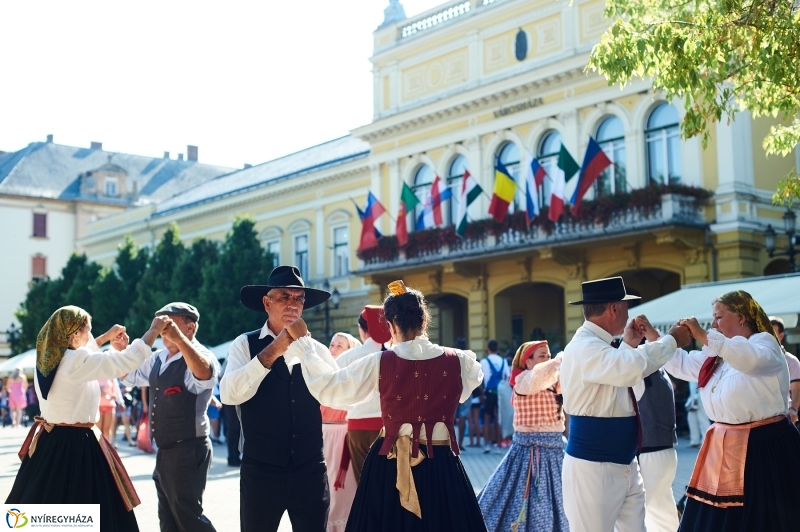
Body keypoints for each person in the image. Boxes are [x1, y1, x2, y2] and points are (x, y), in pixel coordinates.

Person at [292, 280, 487, 532]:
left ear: (391, 326)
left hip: (389, 463)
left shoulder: (380, 362)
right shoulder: (460, 360)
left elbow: (332, 390)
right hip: (441, 463)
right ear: (424, 321)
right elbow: (468, 388)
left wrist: (306, 347)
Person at [6, 305, 170, 532]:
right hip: (76, 444)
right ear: (74, 334)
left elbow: (84, 357)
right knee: (86, 508)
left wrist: (104, 338)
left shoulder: (49, 360)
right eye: (88, 330)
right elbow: (120, 362)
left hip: (50, 441)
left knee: (43, 509)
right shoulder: (73, 362)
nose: (91, 335)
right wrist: (153, 331)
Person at [661, 291, 800, 531]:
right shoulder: (720, 353)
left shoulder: (764, 343)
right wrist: (658, 338)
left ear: (741, 317)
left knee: (762, 514)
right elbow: (685, 364)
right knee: (718, 514)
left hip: (761, 443)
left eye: (719, 317)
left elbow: (749, 360)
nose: (714, 325)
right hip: (723, 443)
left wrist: (703, 335)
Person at [559, 276, 689, 532]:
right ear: (614, 308)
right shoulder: (585, 346)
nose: (628, 313)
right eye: (626, 306)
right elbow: (627, 370)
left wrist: (628, 344)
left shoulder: (597, 345)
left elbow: (616, 372)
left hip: (624, 463)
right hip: (594, 467)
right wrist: (671, 340)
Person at [220, 266, 335, 532]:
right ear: (267, 302)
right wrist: (274, 349)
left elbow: (336, 394)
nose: (293, 304)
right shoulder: (244, 344)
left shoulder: (317, 349)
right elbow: (228, 394)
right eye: (284, 296)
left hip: (309, 469)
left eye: (299, 298)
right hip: (261, 471)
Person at [122, 302, 219, 532]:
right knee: (168, 520)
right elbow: (128, 375)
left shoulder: (202, 355)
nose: (163, 330)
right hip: (165, 450)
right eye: (160, 324)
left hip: (188, 447)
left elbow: (204, 374)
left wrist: (180, 340)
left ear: (190, 327)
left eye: (169, 324)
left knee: (189, 517)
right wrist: (121, 352)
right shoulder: (158, 357)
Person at [478, 340, 569, 532]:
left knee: (564, 501)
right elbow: (541, 376)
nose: (547, 359)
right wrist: (561, 359)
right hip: (529, 452)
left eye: (548, 356)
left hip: (556, 450)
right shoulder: (524, 380)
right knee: (526, 500)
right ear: (528, 362)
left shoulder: (552, 380)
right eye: (542, 356)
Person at [332, 305, 391, 482]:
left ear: (362, 329)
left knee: (364, 483)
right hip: (387, 428)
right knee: (387, 483)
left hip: (357, 426)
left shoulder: (348, 357)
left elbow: (332, 388)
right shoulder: (394, 355)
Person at [323, 332, 361, 532]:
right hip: (322, 436)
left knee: (342, 490)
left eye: (340, 346)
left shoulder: (353, 375)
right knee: (324, 490)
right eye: (332, 344)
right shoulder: (321, 372)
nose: (334, 349)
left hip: (343, 436)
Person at [634, 367, 679, 532]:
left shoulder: (641, 372)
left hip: (650, 451)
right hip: (664, 450)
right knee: (662, 512)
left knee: (651, 512)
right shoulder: (660, 372)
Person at [770, 316, 800, 423]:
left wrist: (793, 409)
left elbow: (796, 389)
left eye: (772, 333)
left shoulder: (791, 361)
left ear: (781, 335)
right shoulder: (758, 358)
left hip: (783, 416)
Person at [481, 339, 508, 453]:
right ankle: (499, 445)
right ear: (497, 349)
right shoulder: (503, 361)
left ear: (488, 348)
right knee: (498, 419)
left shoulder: (484, 361)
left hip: (489, 392)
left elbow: (481, 378)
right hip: (500, 392)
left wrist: (482, 392)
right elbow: (507, 377)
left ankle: (487, 445)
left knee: (487, 418)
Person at [685, 381, 711, 447]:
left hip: (701, 399)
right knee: (691, 420)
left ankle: (705, 442)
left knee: (703, 420)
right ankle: (694, 441)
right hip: (693, 399)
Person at [97, 377, 121, 445]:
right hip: (98, 406)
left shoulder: (112, 377)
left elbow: (116, 392)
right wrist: (98, 393)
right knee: (98, 430)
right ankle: (98, 447)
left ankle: (107, 448)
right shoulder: (95, 376)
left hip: (110, 406)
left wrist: (115, 396)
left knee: (107, 429)